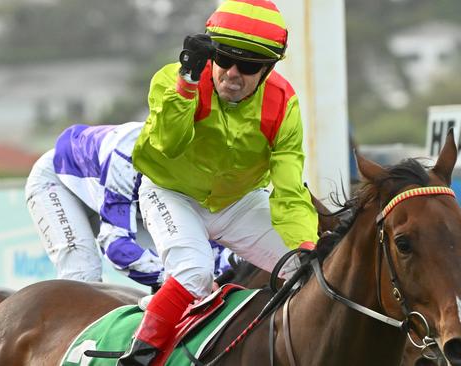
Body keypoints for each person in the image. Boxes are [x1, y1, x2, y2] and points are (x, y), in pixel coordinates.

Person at [119, 1, 319, 364]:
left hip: (239, 202)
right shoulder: (173, 79)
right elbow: (167, 144)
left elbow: (290, 190)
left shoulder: (284, 103)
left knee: (308, 270)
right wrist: (186, 86)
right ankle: (140, 357)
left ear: (269, 68)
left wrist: (306, 242)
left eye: (249, 66)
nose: (232, 74)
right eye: (224, 59)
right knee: (195, 272)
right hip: (171, 193)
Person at [25, 122, 235, 291]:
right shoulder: (126, 157)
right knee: (84, 276)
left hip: (127, 199)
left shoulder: (206, 169)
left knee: (179, 258)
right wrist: (179, 280)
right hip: (60, 182)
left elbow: (210, 243)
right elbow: (115, 244)